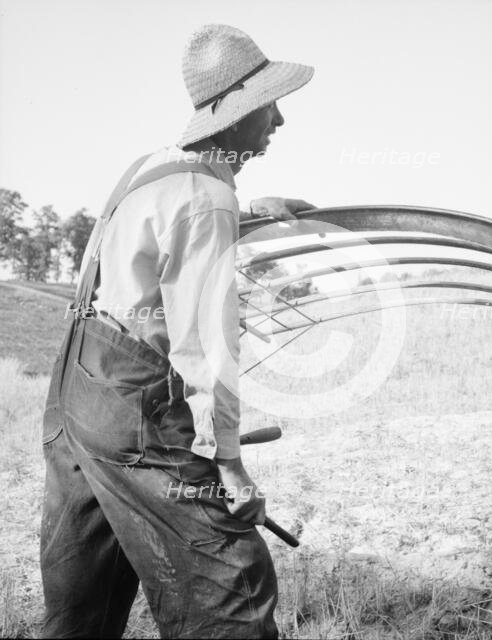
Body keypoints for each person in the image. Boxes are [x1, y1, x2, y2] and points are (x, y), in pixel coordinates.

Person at [40, 24, 314, 638]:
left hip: (77, 393)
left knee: (85, 595)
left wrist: (252, 211)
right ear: (235, 114)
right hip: (133, 407)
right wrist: (231, 465)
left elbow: (158, 241)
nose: (279, 120)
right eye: (269, 105)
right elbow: (205, 347)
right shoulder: (205, 201)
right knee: (228, 588)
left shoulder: (158, 168)